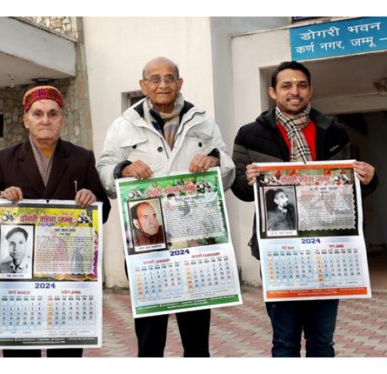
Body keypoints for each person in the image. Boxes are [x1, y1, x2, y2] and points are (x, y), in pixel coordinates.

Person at [231, 60, 378, 357]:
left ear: (310, 90)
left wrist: (369, 180)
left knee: (322, 341)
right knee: (284, 340)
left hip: (326, 247)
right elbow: (241, 190)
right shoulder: (249, 134)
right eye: (286, 86)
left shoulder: (333, 130)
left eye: (301, 85)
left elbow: (349, 189)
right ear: (273, 92)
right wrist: (248, 181)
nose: (294, 92)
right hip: (278, 250)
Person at [97, 57, 234, 357]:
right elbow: (105, 171)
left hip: (195, 244)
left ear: (179, 83)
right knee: (149, 341)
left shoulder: (203, 122)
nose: (162, 84)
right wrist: (123, 169)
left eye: (169, 78)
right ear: (143, 85)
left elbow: (227, 170)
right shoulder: (123, 126)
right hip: (147, 250)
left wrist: (214, 161)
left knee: (197, 342)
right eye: (155, 79)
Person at [0, 85, 111, 357]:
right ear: (26, 119)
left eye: (53, 114)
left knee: (66, 353)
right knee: (20, 355)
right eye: (38, 114)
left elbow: (103, 210)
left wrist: (92, 196)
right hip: (20, 285)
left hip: (67, 280)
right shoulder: (3, 159)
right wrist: (1, 200)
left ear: (62, 118)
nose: (45, 120)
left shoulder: (81, 158)